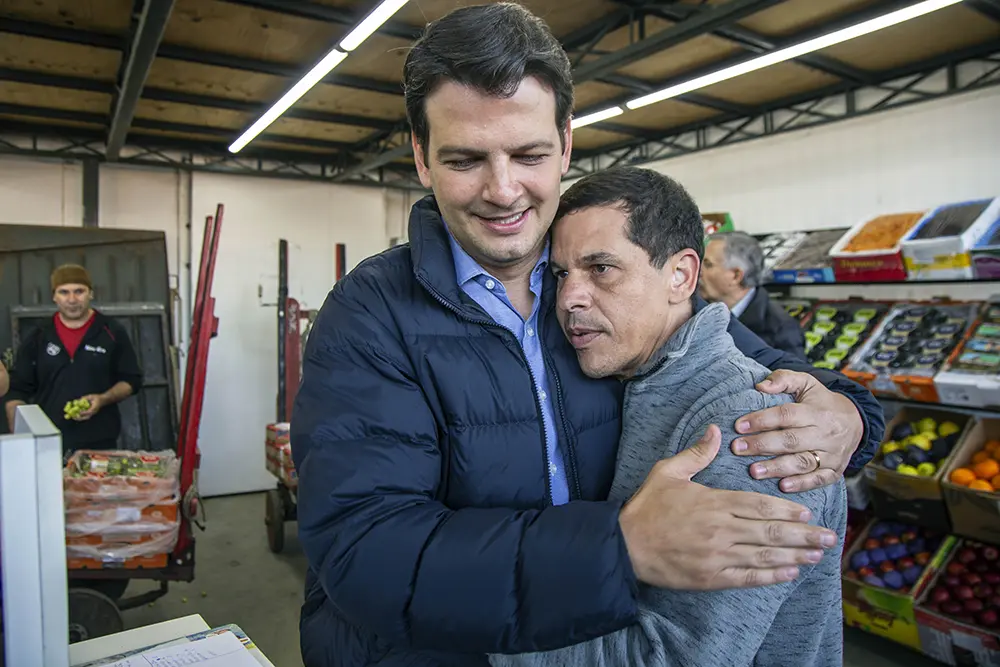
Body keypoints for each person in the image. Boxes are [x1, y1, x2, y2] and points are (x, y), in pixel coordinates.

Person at [290, 4, 882, 666]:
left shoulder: (587, 294)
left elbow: (716, 354)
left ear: (567, 143)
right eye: (465, 159)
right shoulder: (370, 315)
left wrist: (847, 407)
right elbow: (367, 550)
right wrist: (617, 545)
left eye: (530, 153)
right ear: (421, 158)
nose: (503, 189)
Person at [490, 167, 845, 667]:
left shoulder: (750, 431)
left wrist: (475, 633)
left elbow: (671, 657)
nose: (569, 298)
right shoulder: (625, 378)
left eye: (601, 268)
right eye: (562, 273)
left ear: (680, 276)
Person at [4, 264, 143, 453]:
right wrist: (19, 434)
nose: (72, 299)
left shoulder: (111, 331)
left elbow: (131, 380)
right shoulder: (39, 335)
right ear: (54, 296)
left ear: (91, 294)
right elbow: (18, 387)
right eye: (64, 292)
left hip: (100, 440)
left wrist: (103, 399)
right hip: (49, 440)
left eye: (79, 291)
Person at [700, 231, 807, 359]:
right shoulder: (698, 312)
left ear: (736, 276)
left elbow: (794, 376)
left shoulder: (781, 329)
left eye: (707, 264)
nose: (698, 271)